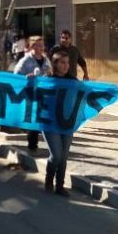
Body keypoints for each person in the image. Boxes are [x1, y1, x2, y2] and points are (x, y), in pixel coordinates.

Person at [42, 51, 77, 197]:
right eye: (62, 62)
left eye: (68, 63)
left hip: (66, 122)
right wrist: (31, 80)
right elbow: (33, 93)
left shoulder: (73, 80)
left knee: (63, 156)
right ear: (55, 64)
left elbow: (82, 95)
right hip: (50, 122)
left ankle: (60, 186)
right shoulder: (46, 79)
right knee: (56, 155)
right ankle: (49, 179)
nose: (66, 66)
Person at [13, 36, 52, 151]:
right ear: (32, 46)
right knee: (33, 120)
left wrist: (49, 74)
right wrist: (26, 77)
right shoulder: (25, 60)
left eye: (42, 45)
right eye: (38, 45)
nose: (41, 47)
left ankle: (49, 145)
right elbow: (16, 75)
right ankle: (32, 145)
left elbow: (51, 73)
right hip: (30, 94)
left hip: (43, 94)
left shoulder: (46, 60)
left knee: (43, 118)